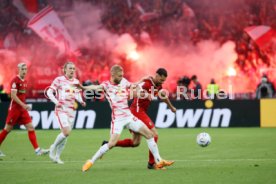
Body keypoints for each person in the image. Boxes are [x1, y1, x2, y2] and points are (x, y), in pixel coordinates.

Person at [81, 65, 174, 172]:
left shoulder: (124, 81)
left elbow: (133, 85)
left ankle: (158, 161)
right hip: (118, 119)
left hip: (129, 117)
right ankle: (91, 161)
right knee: (111, 144)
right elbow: (94, 87)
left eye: (122, 75)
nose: (121, 77)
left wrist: (141, 83)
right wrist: (83, 88)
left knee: (150, 135)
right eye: (119, 76)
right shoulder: (106, 85)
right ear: (113, 74)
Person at [113, 68, 176, 170]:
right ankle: (152, 163)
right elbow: (133, 88)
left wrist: (171, 107)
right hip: (137, 111)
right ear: (156, 75)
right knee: (154, 134)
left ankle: (110, 143)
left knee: (135, 142)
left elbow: (163, 95)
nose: (162, 82)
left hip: (139, 112)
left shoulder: (158, 86)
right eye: (161, 80)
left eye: (163, 81)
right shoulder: (147, 83)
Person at [0, 63, 48, 157]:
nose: (24, 71)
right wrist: (23, 105)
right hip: (14, 109)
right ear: (18, 69)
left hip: (22, 110)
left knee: (31, 127)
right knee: (7, 129)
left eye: (25, 69)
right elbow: (13, 96)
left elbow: (22, 96)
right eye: (22, 69)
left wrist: (23, 106)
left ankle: (37, 150)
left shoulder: (25, 81)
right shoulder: (15, 81)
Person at [46, 62, 86, 164]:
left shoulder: (76, 82)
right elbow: (49, 92)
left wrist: (81, 101)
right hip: (61, 110)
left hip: (71, 111)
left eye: (73, 69)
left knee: (66, 135)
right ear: (65, 70)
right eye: (70, 68)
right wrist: (56, 102)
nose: (72, 70)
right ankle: (52, 147)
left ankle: (57, 157)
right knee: (66, 132)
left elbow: (76, 94)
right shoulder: (59, 80)